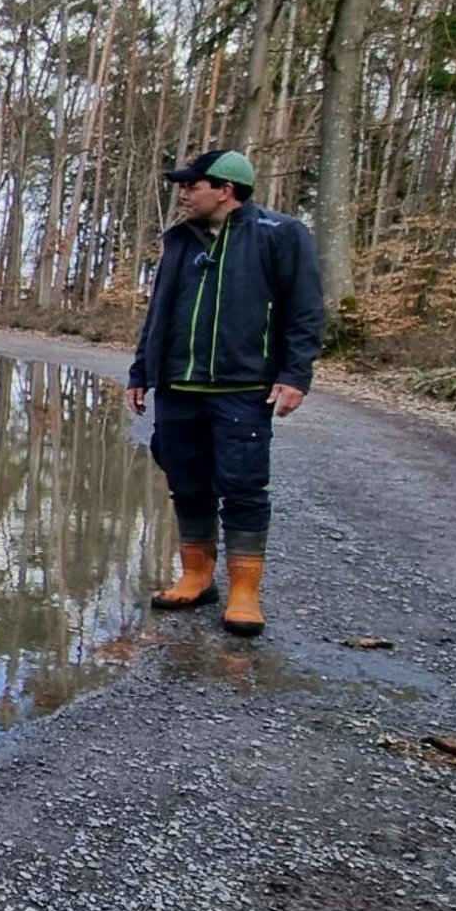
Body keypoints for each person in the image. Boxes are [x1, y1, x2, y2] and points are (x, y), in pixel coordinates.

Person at [126, 149, 325, 637]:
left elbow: (305, 310)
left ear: (225, 190)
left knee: (243, 486)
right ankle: (197, 576)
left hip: (243, 388)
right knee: (187, 481)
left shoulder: (280, 235)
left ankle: (244, 592)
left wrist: (295, 375)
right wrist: (141, 371)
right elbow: (159, 312)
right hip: (178, 386)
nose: (183, 194)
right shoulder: (179, 240)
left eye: (192, 186)